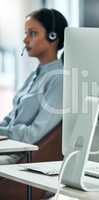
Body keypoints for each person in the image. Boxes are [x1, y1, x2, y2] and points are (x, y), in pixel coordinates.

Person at [0, 8, 68, 164]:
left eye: (32, 33)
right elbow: (11, 119)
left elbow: (34, 134)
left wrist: (4, 133)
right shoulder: (35, 75)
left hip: (18, 155)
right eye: (26, 33)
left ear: (53, 37)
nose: (25, 40)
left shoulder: (59, 79)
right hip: (8, 146)